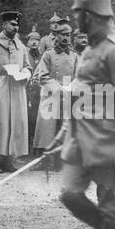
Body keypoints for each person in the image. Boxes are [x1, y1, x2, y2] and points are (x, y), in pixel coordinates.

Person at [46, 0, 115, 229]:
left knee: (111, 207)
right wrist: (62, 133)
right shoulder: (90, 48)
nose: (74, 17)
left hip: (109, 143)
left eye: (77, 13)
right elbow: (81, 96)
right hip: (81, 140)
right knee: (70, 195)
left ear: (89, 15)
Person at [0, 11, 32, 173]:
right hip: (2, 85)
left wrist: (26, 73)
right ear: (3, 25)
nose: (16, 27)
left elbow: (28, 65)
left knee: (15, 122)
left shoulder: (21, 46)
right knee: (0, 122)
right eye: (12, 24)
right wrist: (5, 69)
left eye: (17, 25)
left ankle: (8, 159)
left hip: (17, 87)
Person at [32, 23, 78, 156]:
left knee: (66, 127)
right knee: (47, 128)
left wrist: (70, 87)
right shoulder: (48, 54)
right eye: (62, 35)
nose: (65, 38)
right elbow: (42, 75)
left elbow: (80, 76)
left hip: (69, 95)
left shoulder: (75, 56)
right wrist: (59, 87)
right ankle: (44, 159)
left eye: (68, 35)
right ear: (56, 36)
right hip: (51, 94)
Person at [26, 26, 42, 155]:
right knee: (27, 119)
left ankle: (35, 148)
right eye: (31, 40)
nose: (34, 42)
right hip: (26, 91)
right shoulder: (25, 55)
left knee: (37, 119)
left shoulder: (42, 56)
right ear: (27, 42)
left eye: (37, 40)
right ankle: (26, 148)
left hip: (38, 92)